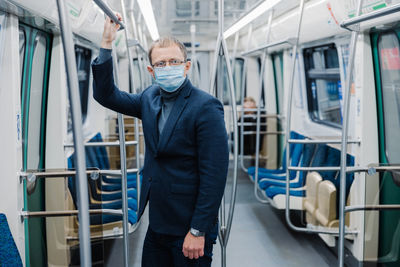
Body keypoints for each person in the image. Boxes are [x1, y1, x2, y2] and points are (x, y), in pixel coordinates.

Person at [91, 14, 229, 267]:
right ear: (151, 70)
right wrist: (107, 42)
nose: (168, 67)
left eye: (174, 61)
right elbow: (106, 94)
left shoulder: (205, 106)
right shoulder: (149, 98)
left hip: (190, 226)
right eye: (161, 63)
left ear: (186, 66)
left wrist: (198, 230)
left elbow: (215, 174)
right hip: (157, 223)